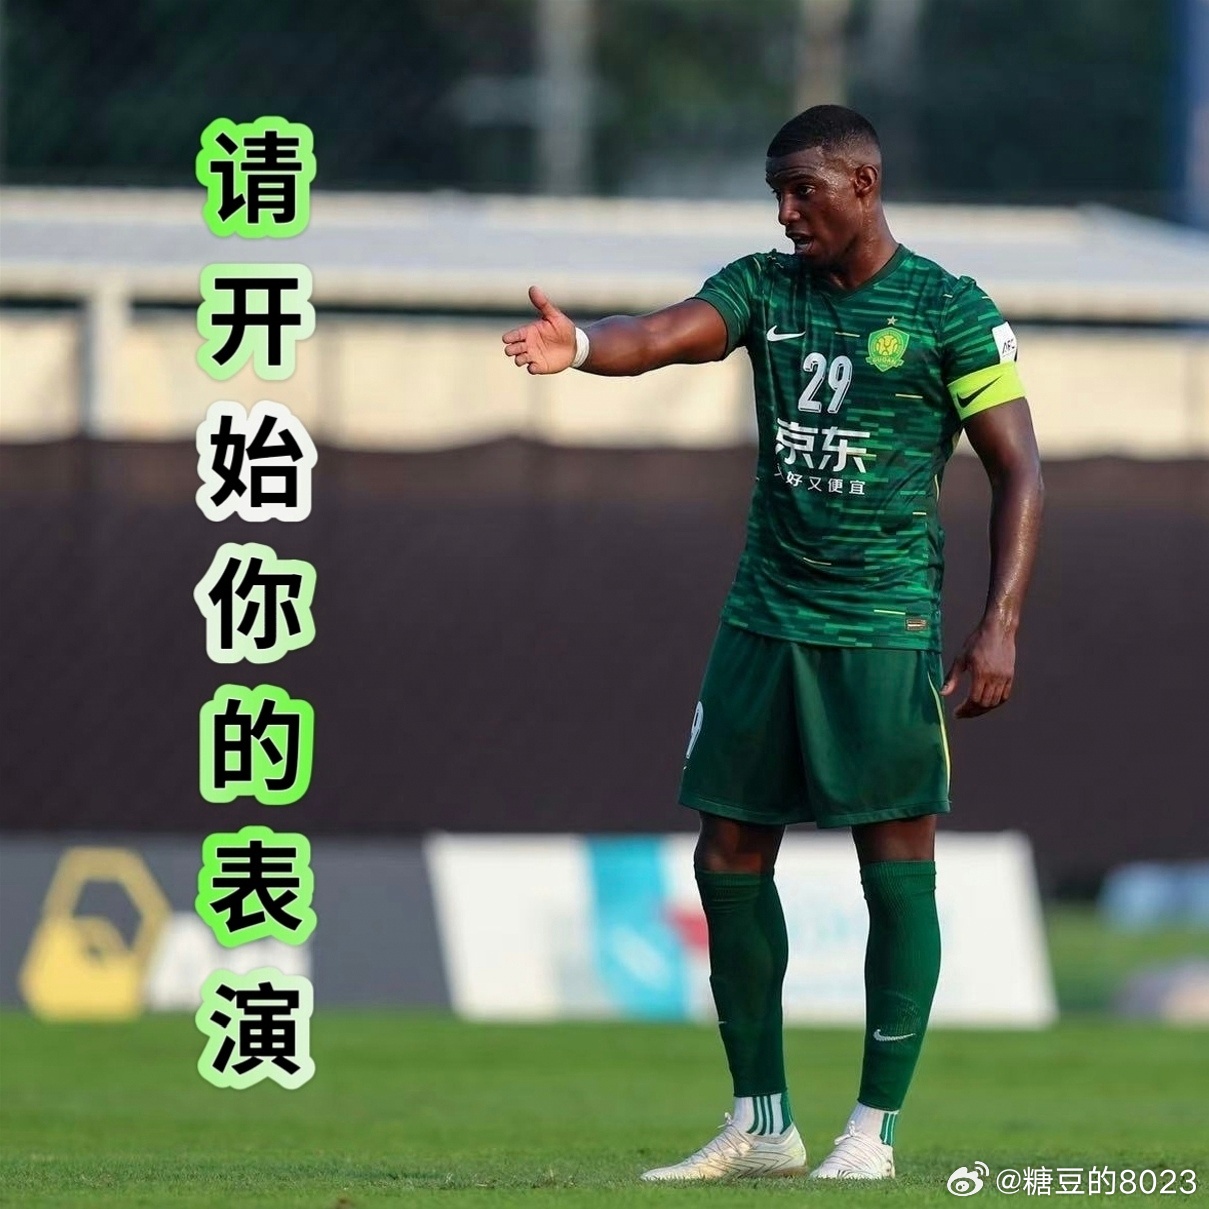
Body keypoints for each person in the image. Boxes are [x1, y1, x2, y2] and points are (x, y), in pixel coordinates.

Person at [501, 104, 1043, 1181]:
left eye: (804, 191)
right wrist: (586, 347)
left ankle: (872, 1132)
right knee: (727, 856)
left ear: (863, 184)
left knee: (895, 863)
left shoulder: (948, 310)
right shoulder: (765, 288)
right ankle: (762, 1124)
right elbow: (667, 333)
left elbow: (1021, 469)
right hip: (764, 617)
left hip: (882, 626)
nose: (786, 213)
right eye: (776, 194)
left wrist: (999, 624)